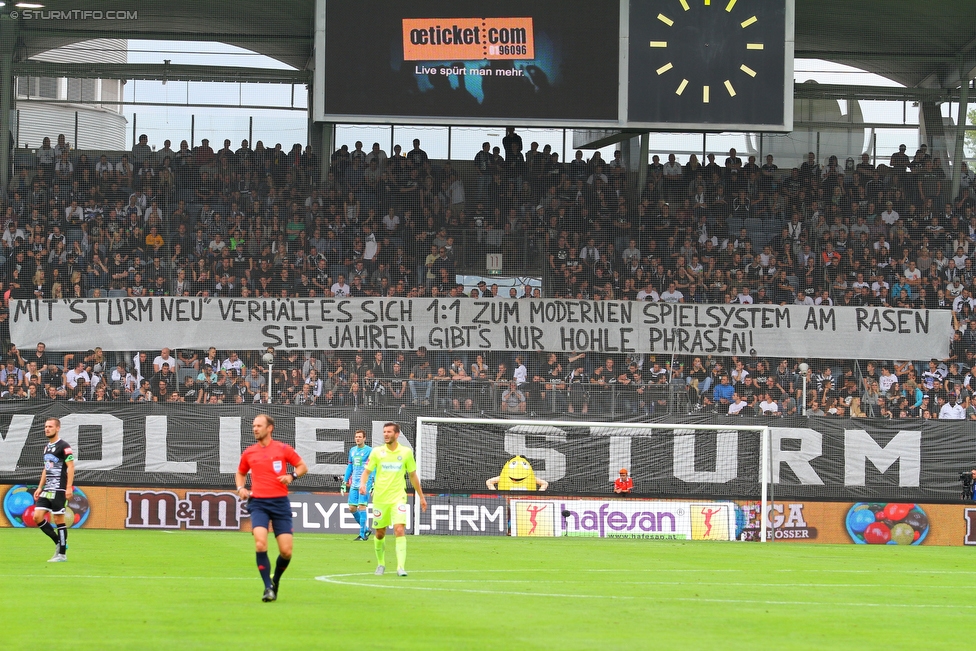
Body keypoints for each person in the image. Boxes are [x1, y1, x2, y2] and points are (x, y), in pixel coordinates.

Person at [235, 414, 308, 602]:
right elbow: (240, 473)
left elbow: (302, 466)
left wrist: (291, 476)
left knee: (286, 551)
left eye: (259, 425)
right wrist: (241, 488)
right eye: (253, 425)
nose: (255, 429)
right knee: (260, 543)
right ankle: (267, 587)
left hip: (280, 503)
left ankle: (275, 580)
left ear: (270, 428)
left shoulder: (283, 449)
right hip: (258, 503)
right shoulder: (249, 452)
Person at [360, 422, 427, 577]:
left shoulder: (406, 453)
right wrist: (363, 484)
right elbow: (366, 471)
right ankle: (381, 564)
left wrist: (421, 496)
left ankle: (400, 567)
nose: (386, 434)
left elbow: (413, 476)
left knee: (399, 529)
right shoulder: (377, 452)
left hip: (398, 497)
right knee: (380, 533)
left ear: (397, 434)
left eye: (389, 432)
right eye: (384, 432)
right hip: (380, 499)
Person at [33, 418, 74, 562]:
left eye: (50, 426)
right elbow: (46, 468)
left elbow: (70, 467)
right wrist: (39, 487)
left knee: (58, 519)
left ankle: (62, 554)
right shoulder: (46, 447)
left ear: (58, 428)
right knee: (37, 517)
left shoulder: (64, 446)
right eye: (45, 426)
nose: (47, 429)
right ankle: (59, 542)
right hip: (47, 488)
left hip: (59, 488)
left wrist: (68, 487)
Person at [343, 428, 374, 541]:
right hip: (354, 483)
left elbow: (373, 466)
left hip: (365, 482)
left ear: (364, 438)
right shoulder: (352, 450)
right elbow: (350, 466)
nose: (358, 438)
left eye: (360, 437)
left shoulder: (370, 451)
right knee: (352, 508)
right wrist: (344, 481)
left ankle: (362, 535)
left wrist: (373, 481)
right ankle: (365, 528)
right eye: (356, 437)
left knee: (362, 506)